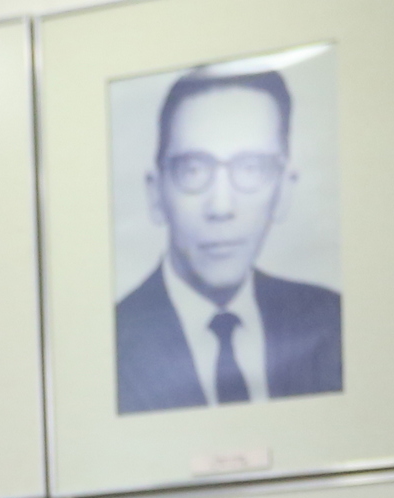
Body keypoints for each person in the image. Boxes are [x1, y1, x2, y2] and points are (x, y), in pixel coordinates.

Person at [115, 68, 343, 414]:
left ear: (283, 190)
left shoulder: (333, 322)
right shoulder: (110, 343)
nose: (221, 207)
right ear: (156, 193)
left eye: (251, 168)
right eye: (193, 170)